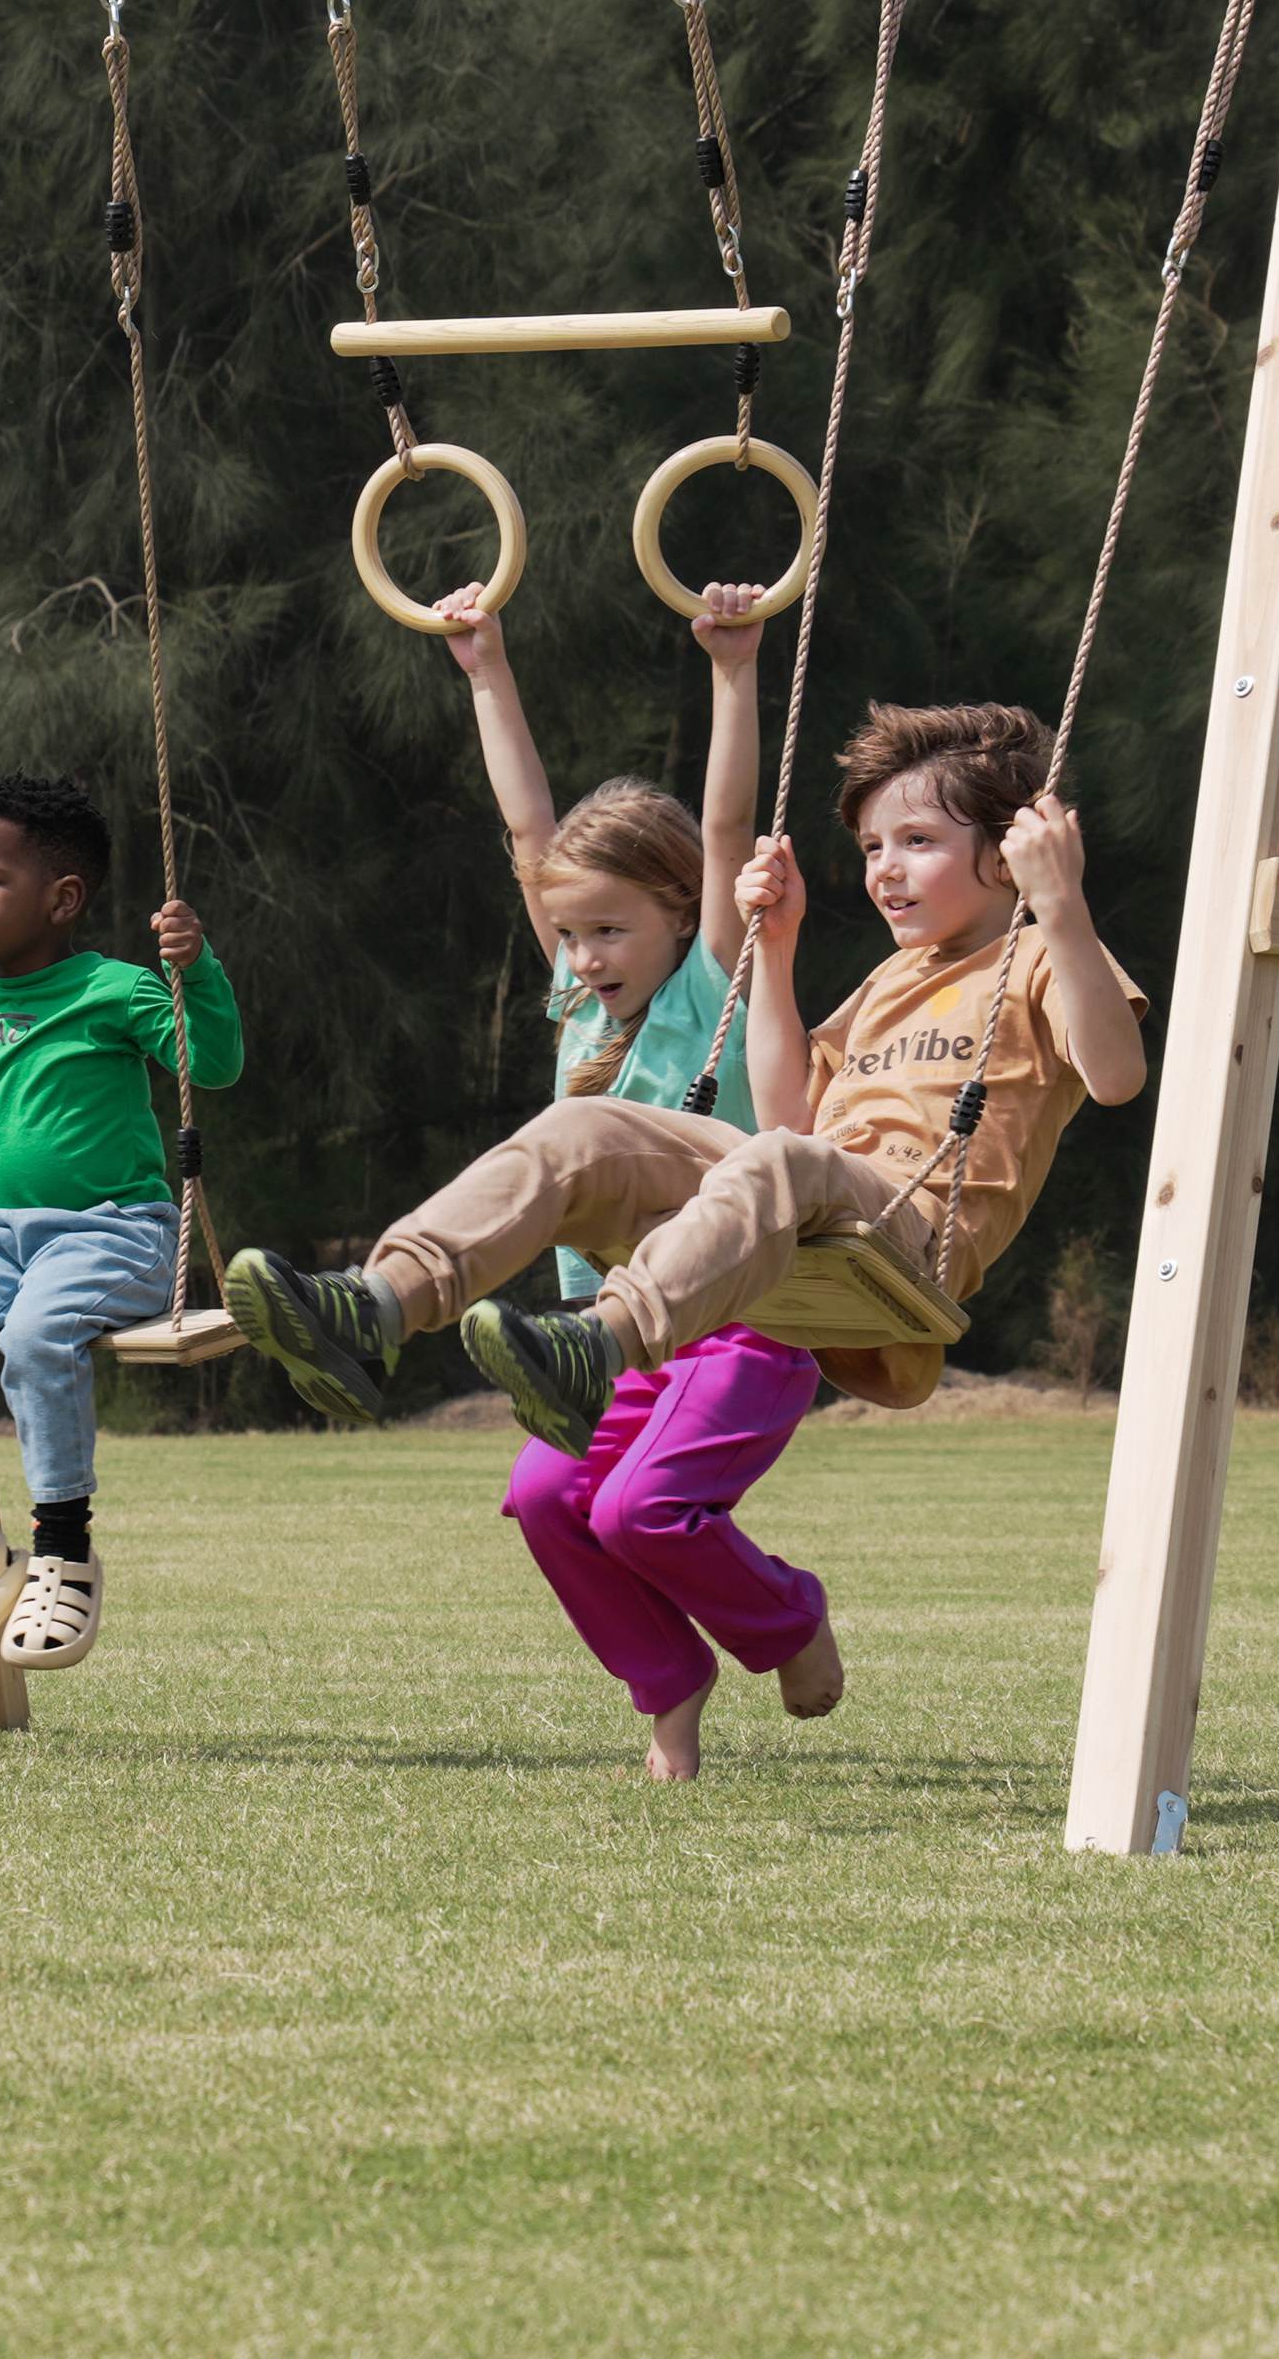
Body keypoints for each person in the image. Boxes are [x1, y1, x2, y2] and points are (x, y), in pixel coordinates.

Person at [228, 696, 1145, 1665]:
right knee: (585, 1126)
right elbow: (789, 1112)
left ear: (1011, 850)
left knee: (777, 1160)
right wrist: (780, 948)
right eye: (873, 846)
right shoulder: (883, 983)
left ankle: (602, 1344)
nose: (882, 868)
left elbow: (1117, 1074)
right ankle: (377, 1303)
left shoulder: (1041, 954)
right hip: (810, 1198)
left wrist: (1063, 907)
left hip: (909, 1239)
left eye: (915, 840)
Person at [408, 573, 826, 1778]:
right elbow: (531, 837)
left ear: (678, 918)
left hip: (734, 1319)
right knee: (547, 1502)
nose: (584, 955)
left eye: (609, 931)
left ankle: (787, 1620)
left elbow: (730, 829)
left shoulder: (710, 981)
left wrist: (734, 672)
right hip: (601, 1329)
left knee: (641, 1512)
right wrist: (486, 670)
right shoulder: (574, 1005)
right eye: (571, 932)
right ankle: (669, 1684)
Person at [0, 770, 240, 1675]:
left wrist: (196, 969)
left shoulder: (115, 990)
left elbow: (210, 1063)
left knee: (35, 1336)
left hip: (115, 1231)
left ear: (62, 899)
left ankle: (62, 1548)